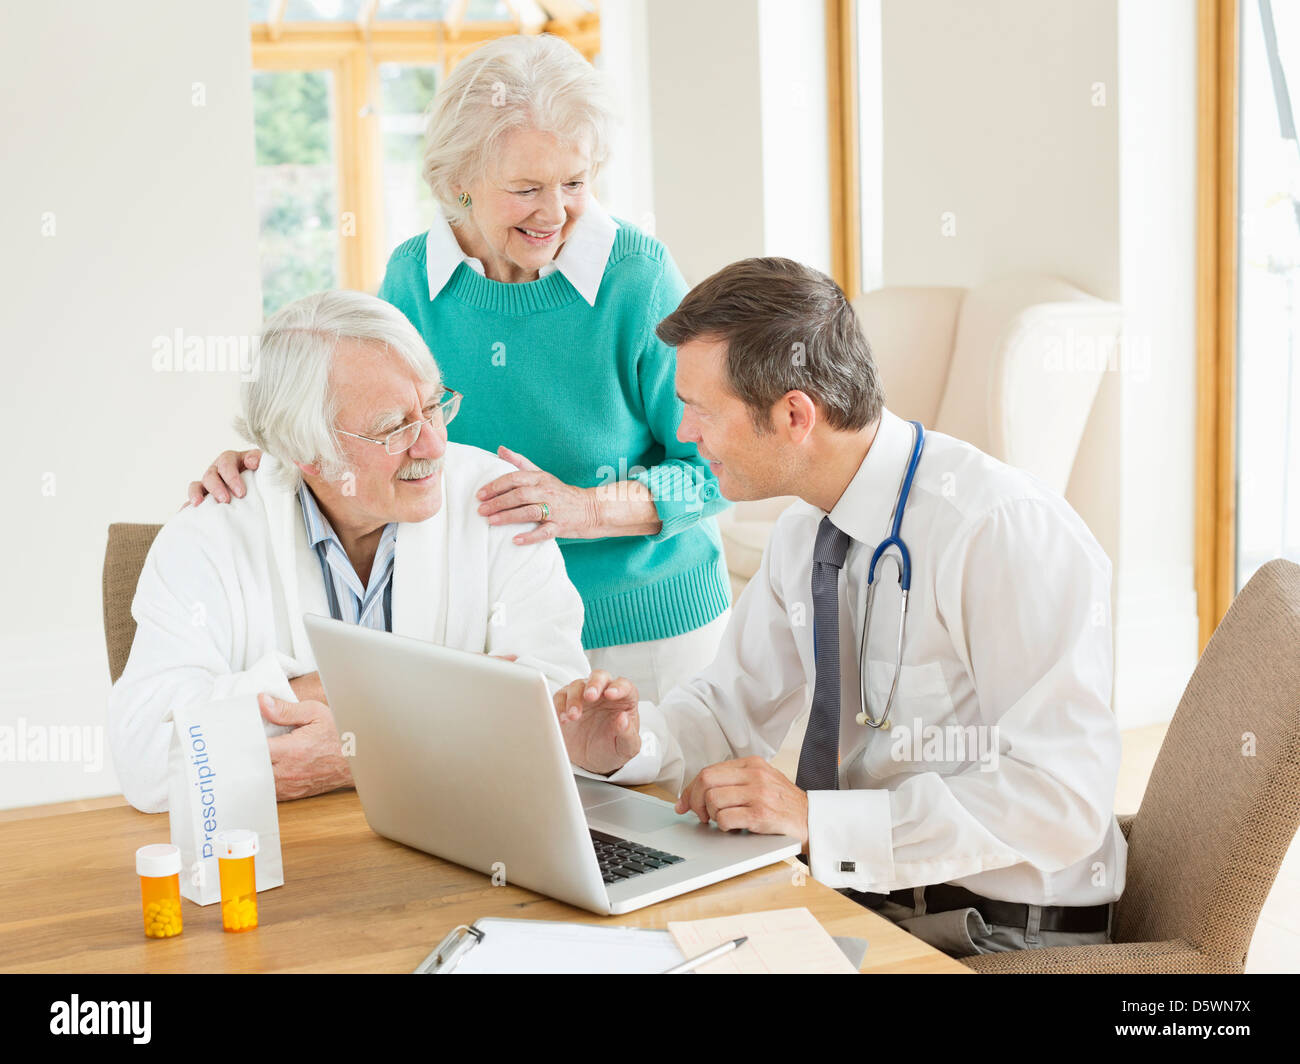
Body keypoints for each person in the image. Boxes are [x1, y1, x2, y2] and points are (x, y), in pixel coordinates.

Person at [552, 257, 1128, 958]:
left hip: (998, 926)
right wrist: (630, 745)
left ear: (795, 414)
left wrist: (820, 824)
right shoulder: (807, 530)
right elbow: (727, 713)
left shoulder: (998, 529)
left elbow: (1060, 798)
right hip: (864, 890)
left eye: (701, 409)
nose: (685, 432)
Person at [187, 33, 731, 703]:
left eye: (575, 182)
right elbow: (361, 425)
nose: (555, 213)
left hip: (645, 635)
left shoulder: (638, 281)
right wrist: (271, 458)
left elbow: (717, 468)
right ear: (456, 184)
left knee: (655, 805)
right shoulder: (412, 280)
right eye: (526, 187)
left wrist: (587, 508)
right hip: (480, 634)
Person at [109, 290, 591, 814]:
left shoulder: (498, 500)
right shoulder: (208, 536)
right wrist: (456, 690)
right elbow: (147, 760)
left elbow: (558, 710)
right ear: (305, 451)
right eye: (395, 428)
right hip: (289, 866)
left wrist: (358, 746)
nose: (433, 445)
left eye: (433, 406)